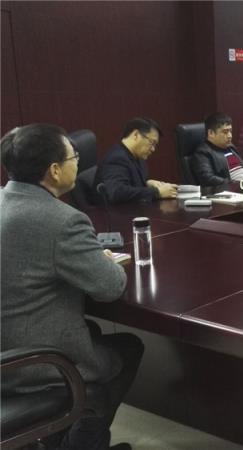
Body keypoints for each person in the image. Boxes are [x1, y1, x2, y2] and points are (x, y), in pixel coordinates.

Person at [1, 124, 144, 450]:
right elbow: (110, 287)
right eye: (74, 157)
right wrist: (103, 260)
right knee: (129, 347)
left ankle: (57, 439)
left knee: (92, 330)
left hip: (5, 347)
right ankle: (84, 443)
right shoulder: (63, 220)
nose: (78, 163)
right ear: (54, 170)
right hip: (30, 366)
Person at [94, 117, 177, 204]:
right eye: (152, 142)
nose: (153, 149)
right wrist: (156, 192)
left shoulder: (137, 156)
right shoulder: (117, 158)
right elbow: (117, 192)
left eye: (155, 145)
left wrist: (147, 183)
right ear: (136, 135)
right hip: (117, 211)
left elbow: (130, 184)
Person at [190, 112, 243, 187]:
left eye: (230, 131)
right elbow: (207, 178)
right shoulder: (203, 153)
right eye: (225, 132)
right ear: (211, 133)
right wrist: (236, 185)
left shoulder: (230, 147)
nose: (230, 136)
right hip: (230, 191)